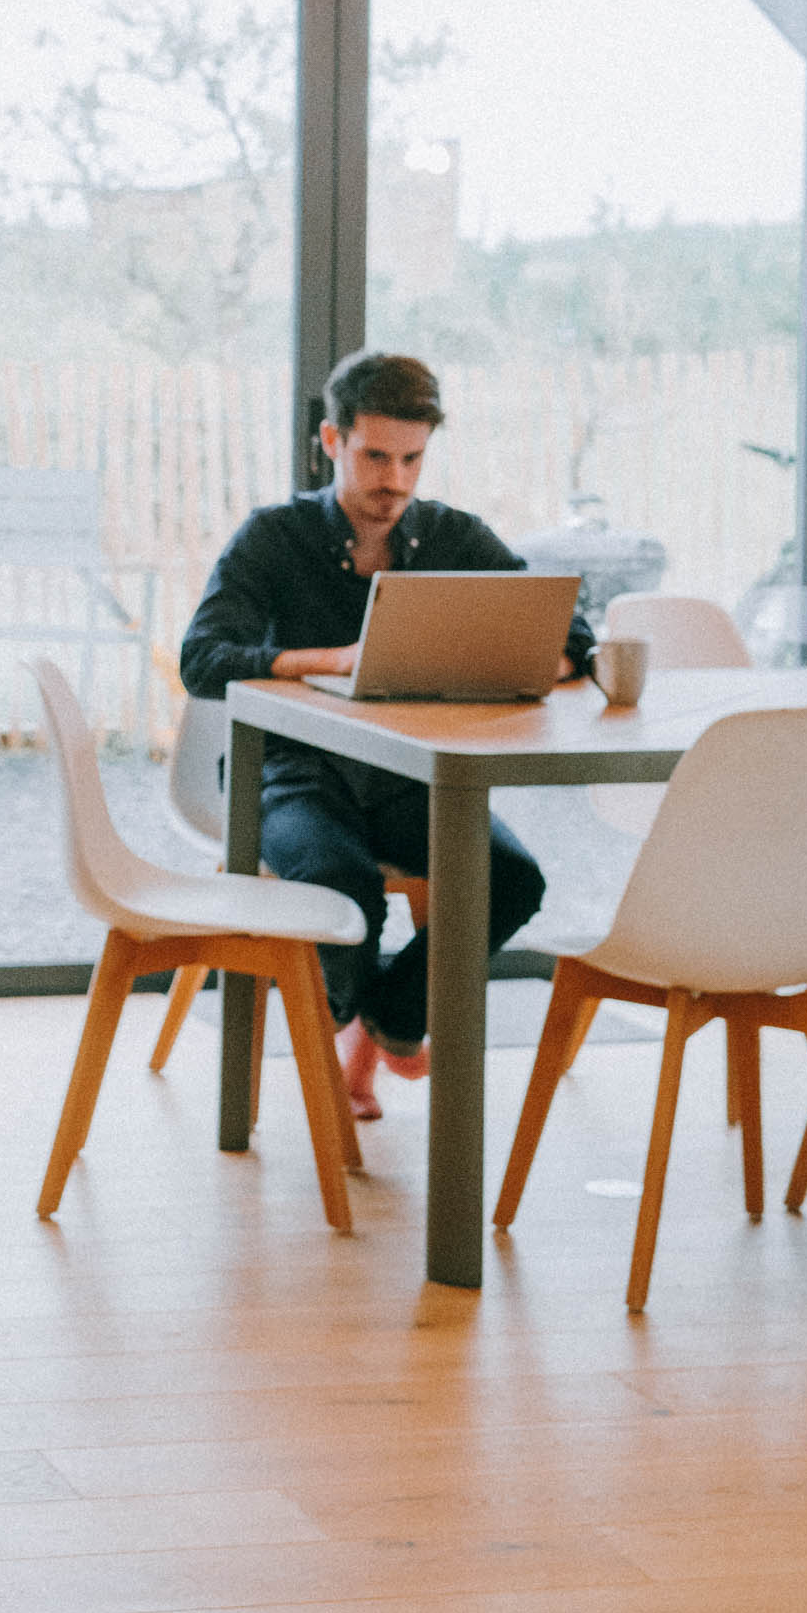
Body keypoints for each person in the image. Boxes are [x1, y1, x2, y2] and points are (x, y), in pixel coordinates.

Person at [179, 347, 597, 1119]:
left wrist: (554, 654)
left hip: (405, 777)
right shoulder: (274, 535)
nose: (395, 483)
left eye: (412, 459)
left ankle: (393, 1017)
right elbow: (202, 659)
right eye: (375, 456)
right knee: (345, 888)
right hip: (289, 771)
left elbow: (570, 628)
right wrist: (328, 660)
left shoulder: (450, 537)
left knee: (511, 878)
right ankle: (341, 1024)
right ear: (332, 442)